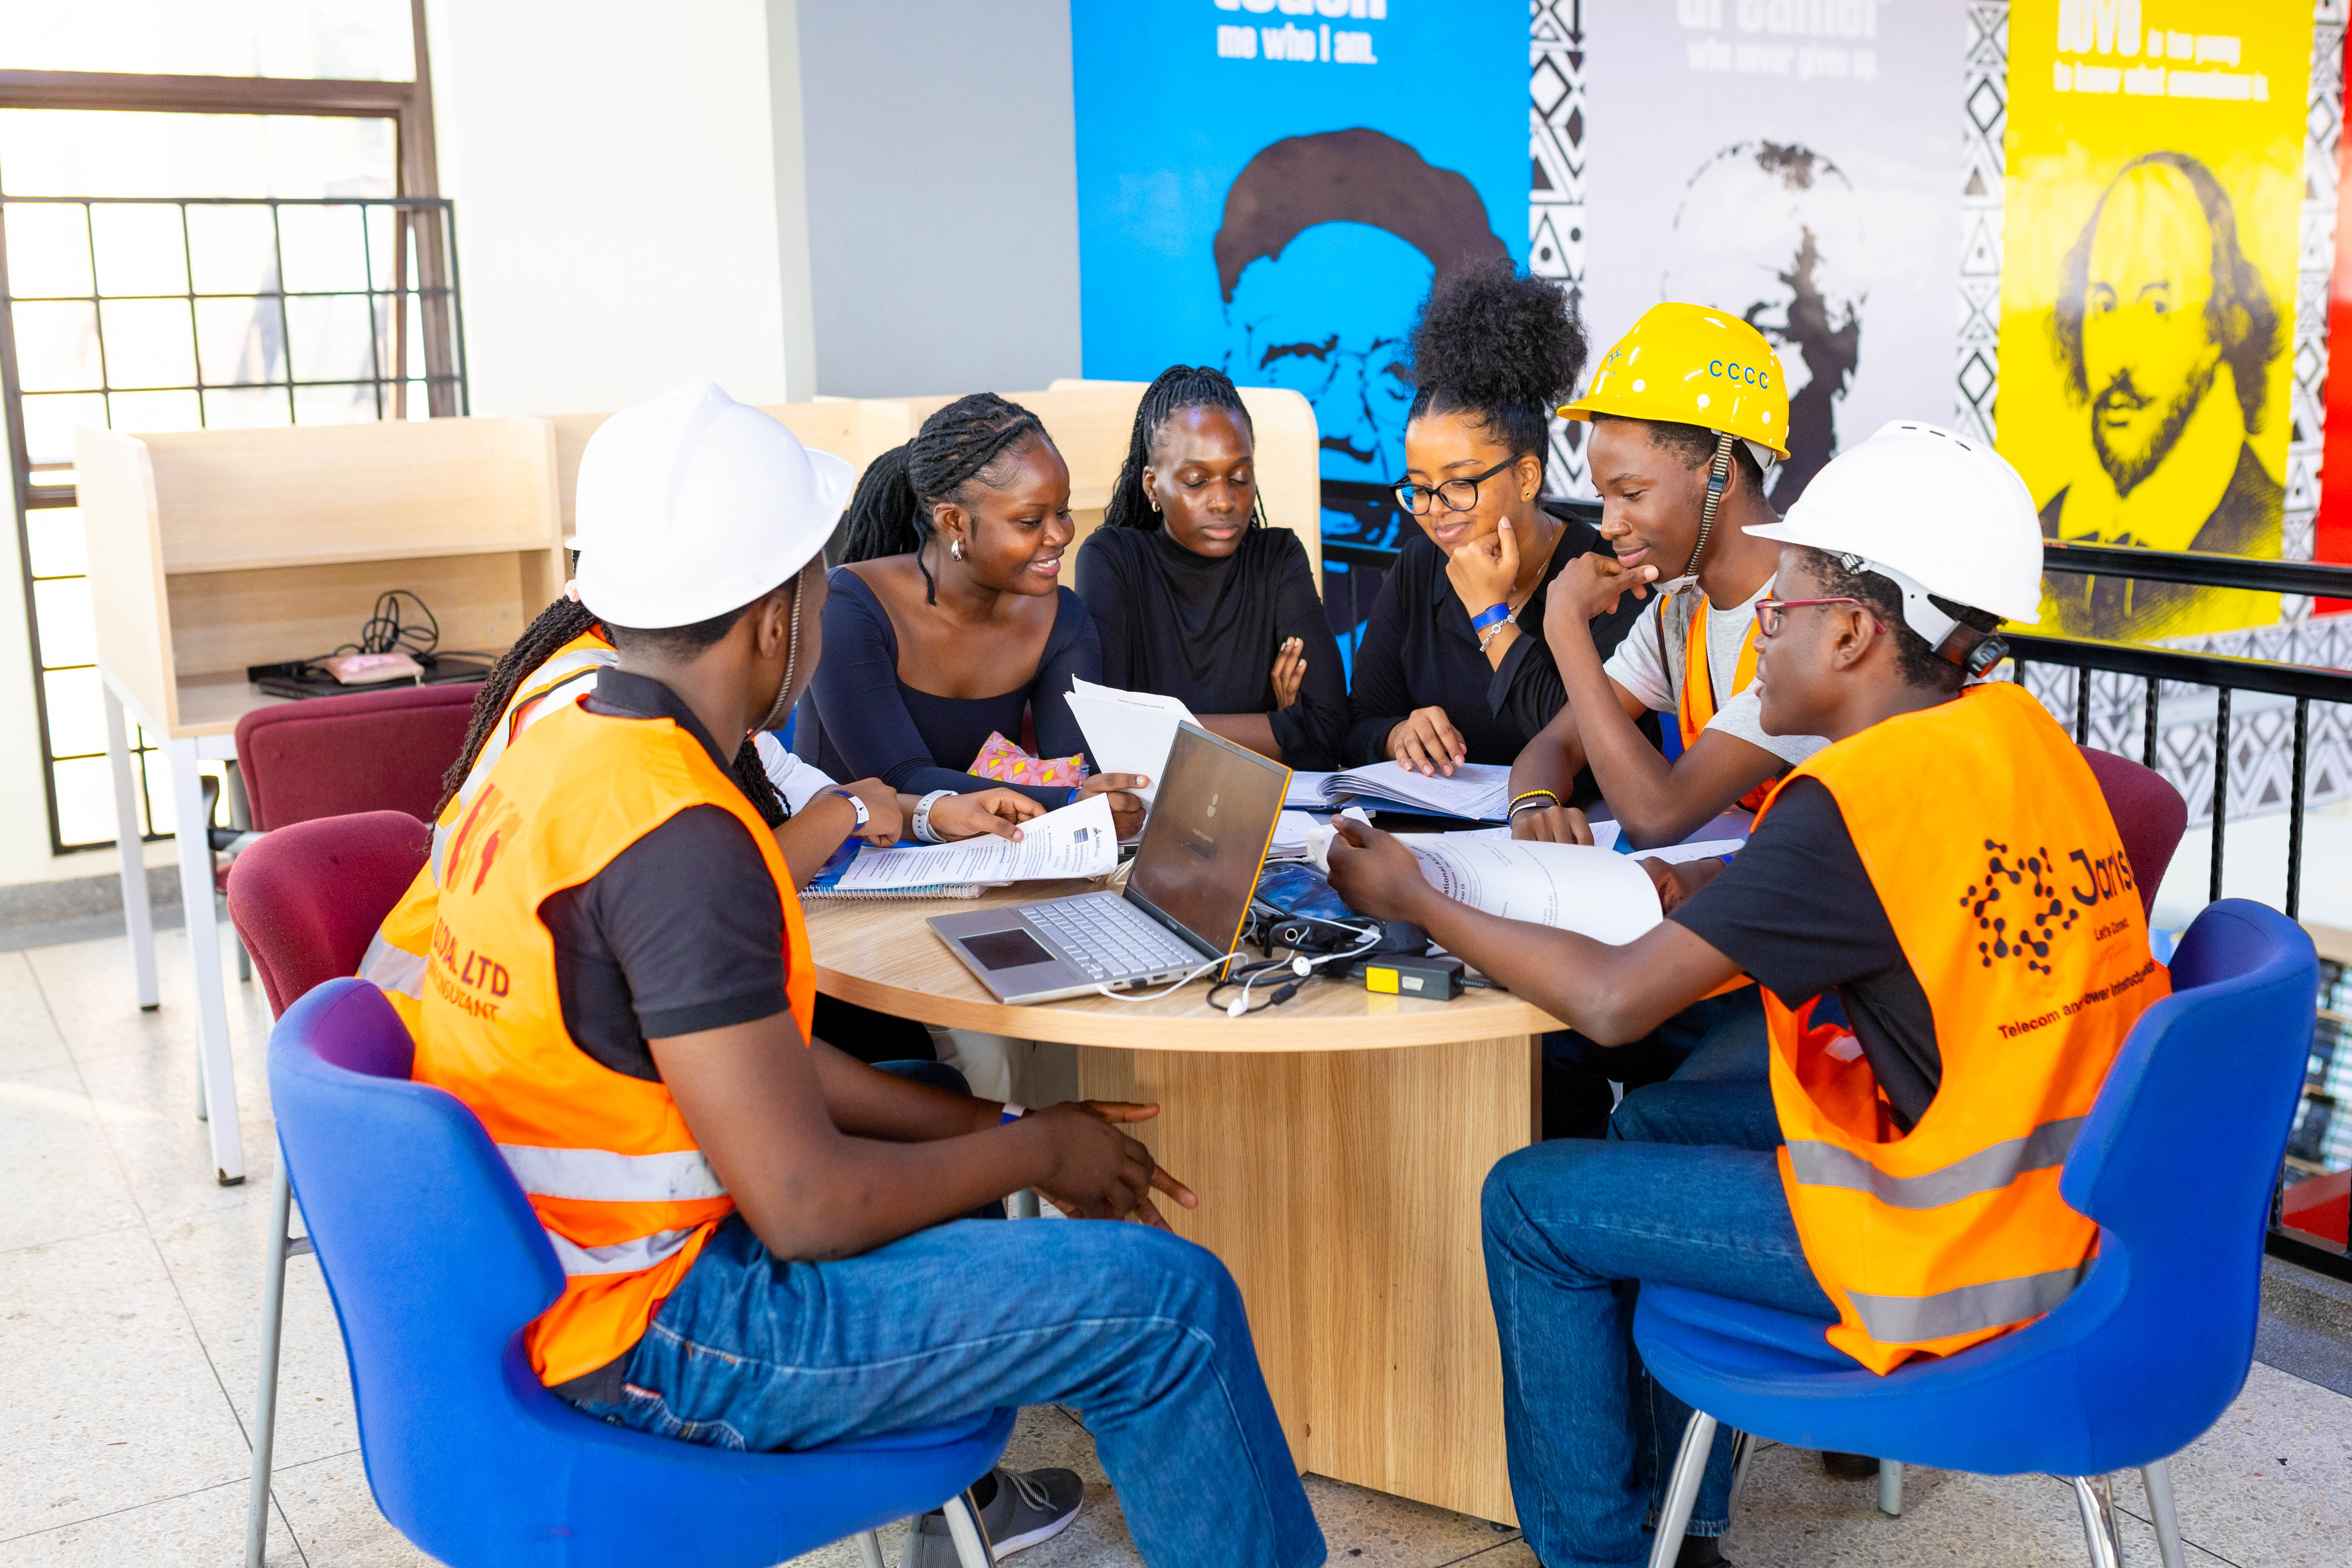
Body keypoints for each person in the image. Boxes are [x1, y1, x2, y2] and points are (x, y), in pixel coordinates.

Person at [409, 381, 1324, 1568]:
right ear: (774, 617)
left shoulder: (567, 744)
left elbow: (764, 1068)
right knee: (1169, 1304)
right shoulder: (681, 835)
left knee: (1000, 1179)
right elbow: (808, 1205)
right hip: (672, 1324)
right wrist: (1040, 1150)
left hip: (547, 1276)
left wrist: (1001, 1117)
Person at [1323, 421, 2168, 1568]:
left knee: (1529, 1197)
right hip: (2073, 1203)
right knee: (1656, 1117)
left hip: (1956, 1245)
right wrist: (1716, 877)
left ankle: (1600, 1555)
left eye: (1780, 606)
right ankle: (1689, 1524)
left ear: (1857, 631)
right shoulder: (2011, 733)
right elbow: (1888, 892)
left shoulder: (1849, 800)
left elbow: (1617, 1003)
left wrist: (1419, 895)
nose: (1754, 632)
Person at [361, 567, 1041, 1066]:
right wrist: (849, 809)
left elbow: (779, 777)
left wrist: (926, 811)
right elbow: (702, 872)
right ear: (774, 624)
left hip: (542, 1027)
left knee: (899, 1060)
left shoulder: (655, 676)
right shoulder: (596, 719)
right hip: (483, 1045)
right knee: (907, 1058)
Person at [1500, 306, 1823, 1136]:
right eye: (1603, 492)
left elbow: (1655, 810)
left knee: (1583, 1038)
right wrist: (1533, 803)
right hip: (1715, 934)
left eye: (1629, 491)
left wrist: (1563, 626)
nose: (1606, 522)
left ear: (1720, 471)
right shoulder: (1678, 613)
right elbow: (1554, 741)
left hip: (1795, 981)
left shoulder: (1807, 621)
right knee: (1548, 1045)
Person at [1343, 259, 1648, 779]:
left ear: (1527, 476)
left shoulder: (1605, 577)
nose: (1435, 509)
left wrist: (1490, 614)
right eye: (1418, 487)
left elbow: (1586, 750)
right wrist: (1398, 734)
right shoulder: (1420, 567)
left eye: (1460, 483)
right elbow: (1353, 728)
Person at [815, 393, 1148, 836]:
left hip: (989, 855)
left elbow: (1070, 768)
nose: (1060, 534)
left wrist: (1105, 800)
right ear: (953, 522)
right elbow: (897, 777)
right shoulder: (848, 606)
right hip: (854, 866)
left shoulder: (1059, 617)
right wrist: (1072, 803)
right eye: (1031, 521)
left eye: (1063, 512)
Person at [2039, 151, 2284, 639]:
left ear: (2220, 326)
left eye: (2157, 306)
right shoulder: (2040, 531)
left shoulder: (2264, 533)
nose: (2119, 358)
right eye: (2103, 304)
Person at [1074, 365, 1347, 769]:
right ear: (1153, 484)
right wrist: (1279, 725)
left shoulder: (1278, 556)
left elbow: (1330, 732)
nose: (1223, 501)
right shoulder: (1112, 559)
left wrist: (1160, 728)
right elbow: (1108, 734)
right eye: (1197, 481)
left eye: (1239, 477)